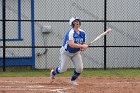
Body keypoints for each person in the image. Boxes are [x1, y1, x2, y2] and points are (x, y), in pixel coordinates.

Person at [50, 16, 88, 85]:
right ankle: (53, 72)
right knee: (62, 69)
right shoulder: (70, 32)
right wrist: (82, 46)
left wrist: (83, 47)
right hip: (66, 53)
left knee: (80, 68)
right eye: (75, 22)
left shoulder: (83, 33)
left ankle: (72, 80)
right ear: (72, 24)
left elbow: (83, 43)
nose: (77, 23)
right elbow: (71, 44)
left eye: (78, 21)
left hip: (76, 53)